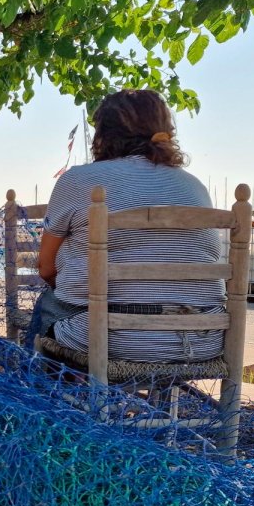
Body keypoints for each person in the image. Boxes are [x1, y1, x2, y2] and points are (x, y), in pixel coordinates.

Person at [29, 89, 225, 365]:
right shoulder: (194, 186)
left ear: (103, 133)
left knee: (48, 306)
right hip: (202, 339)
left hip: (112, 339)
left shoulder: (81, 180)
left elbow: (47, 269)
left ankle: (37, 398)